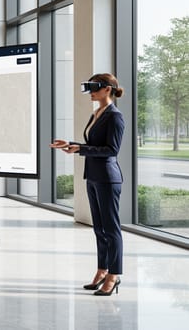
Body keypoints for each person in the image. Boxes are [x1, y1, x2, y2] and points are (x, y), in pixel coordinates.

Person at [51, 73, 125, 296]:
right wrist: (73, 144)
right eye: (89, 87)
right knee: (99, 229)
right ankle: (102, 270)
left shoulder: (115, 116)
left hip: (108, 178)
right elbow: (93, 144)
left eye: (94, 87)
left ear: (107, 89)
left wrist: (81, 149)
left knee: (111, 229)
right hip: (93, 176)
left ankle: (115, 275)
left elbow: (112, 150)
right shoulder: (97, 113)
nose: (91, 92)